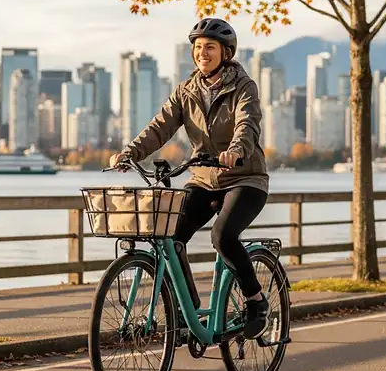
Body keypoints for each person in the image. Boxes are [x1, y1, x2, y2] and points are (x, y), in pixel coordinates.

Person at [109, 17, 270, 339]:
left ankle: (256, 301)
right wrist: (130, 153)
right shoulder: (187, 90)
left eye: (209, 47)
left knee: (223, 237)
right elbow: (160, 127)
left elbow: (247, 123)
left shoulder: (243, 86)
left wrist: (236, 150)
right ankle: (187, 308)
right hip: (203, 178)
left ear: (226, 52)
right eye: (197, 48)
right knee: (171, 235)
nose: (202, 53)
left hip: (244, 178)